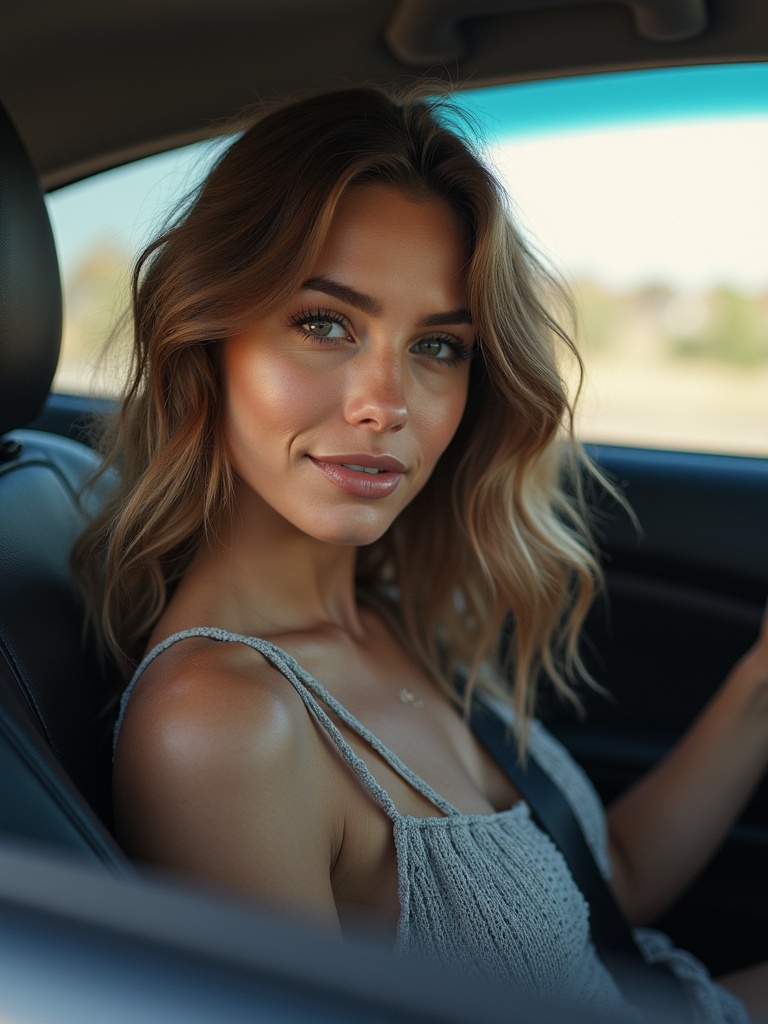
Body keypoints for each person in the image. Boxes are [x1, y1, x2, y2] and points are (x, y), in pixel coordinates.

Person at [74, 85, 768, 1022]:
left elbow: (611, 891)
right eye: (325, 324)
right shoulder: (225, 726)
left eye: (437, 346)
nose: (385, 401)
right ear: (208, 338)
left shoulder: (395, 610)